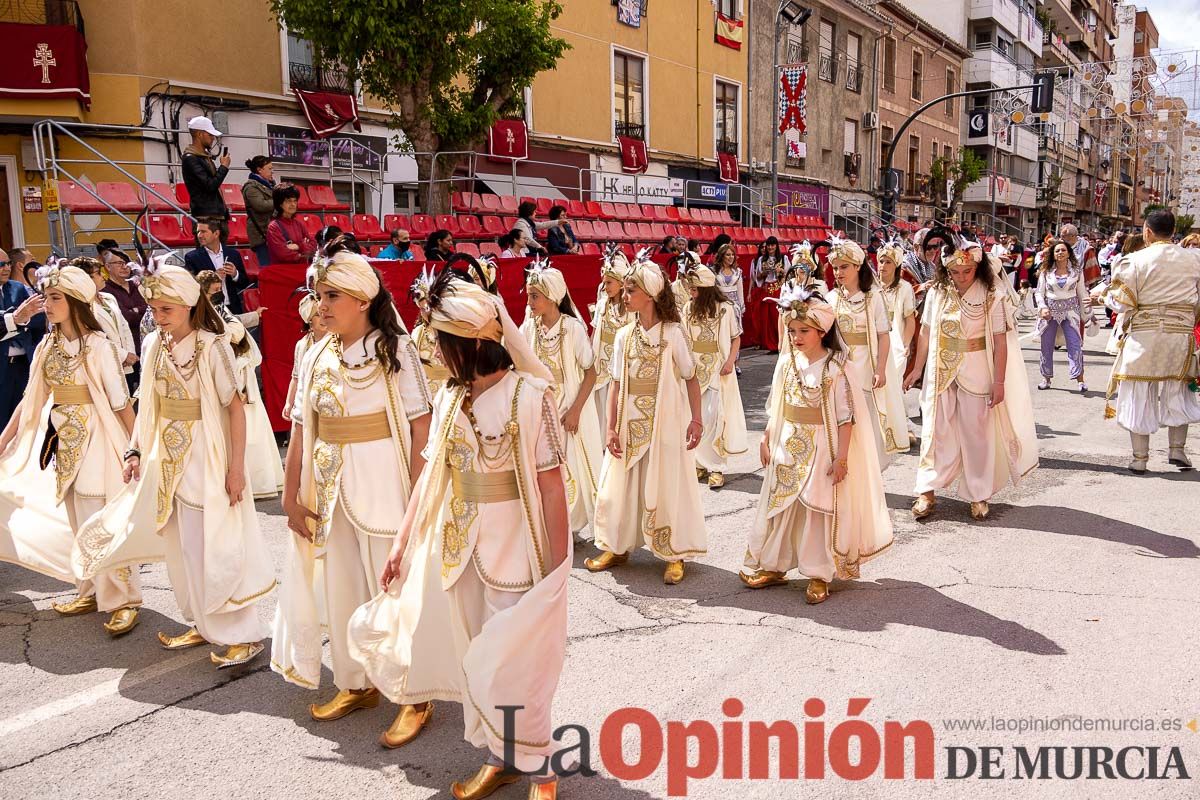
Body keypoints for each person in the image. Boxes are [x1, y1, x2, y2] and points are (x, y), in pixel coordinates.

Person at [349, 273, 571, 800]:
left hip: (518, 554)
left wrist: (557, 570)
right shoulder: (450, 398)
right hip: (457, 552)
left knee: (514, 664)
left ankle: (540, 769)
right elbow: (431, 476)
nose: (434, 353)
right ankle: (503, 758)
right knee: (477, 660)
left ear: (471, 343)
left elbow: (552, 488)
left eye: (442, 344)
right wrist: (402, 545)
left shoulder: (528, 395)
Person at [74, 258, 275, 668]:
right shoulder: (153, 346)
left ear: (187, 305)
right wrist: (134, 449)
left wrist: (236, 469)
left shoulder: (212, 344)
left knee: (214, 546)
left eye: (166, 309)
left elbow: (234, 409)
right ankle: (203, 623)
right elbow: (147, 404)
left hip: (206, 455)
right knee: (182, 548)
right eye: (154, 309)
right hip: (166, 461)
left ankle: (243, 634)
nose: (158, 317)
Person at [272, 246, 434, 744]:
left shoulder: (396, 350)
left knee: (390, 590)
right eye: (319, 295)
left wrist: (416, 499)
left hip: (385, 485)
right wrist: (289, 493)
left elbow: (420, 425)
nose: (320, 305)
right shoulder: (317, 351)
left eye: (331, 295)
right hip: (330, 487)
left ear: (362, 299)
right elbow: (301, 425)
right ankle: (355, 682)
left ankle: (414, 693)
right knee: (341, 587)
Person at [0, 263, 142, 635]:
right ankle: (90, 588)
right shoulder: (47, 345)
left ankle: (123, 599)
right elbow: (31, 398)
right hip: (63, 440)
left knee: (101, 519)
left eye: (55, 298)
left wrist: (135, 448)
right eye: (46, 297)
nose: (46, 304)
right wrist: (4, 439)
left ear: (77, 302)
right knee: (77, 517)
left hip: (98, 439)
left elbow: (121, 403)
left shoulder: (99, 346)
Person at [740, 287, 893, 601]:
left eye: (804, 331)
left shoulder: (836, 368)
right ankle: (774, 565)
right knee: (781, 506)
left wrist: (842, 458)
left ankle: (819, 574)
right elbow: (777, 406)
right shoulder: (787, 363)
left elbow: (846, 418)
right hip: (787, 442)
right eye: (792, 331)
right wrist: (767, 437)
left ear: (822, 332)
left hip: (823, 446)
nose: (796, 337)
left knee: (816, 509)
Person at [587, 255, 706, 585]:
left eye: (630, 291)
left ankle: (674, 552)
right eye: (624, 290)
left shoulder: (673, 333)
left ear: (650, 294)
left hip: (665, 423)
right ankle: (617, 546)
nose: (625, 297)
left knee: (667, 482)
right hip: (629, 422)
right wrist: (611, 426)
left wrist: (696, 421)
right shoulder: (624, 336)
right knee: (620, 485)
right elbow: (615, 384)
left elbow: (691, 377)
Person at [903, 238, 1039, 521]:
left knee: (976, 433)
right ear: (946, 270)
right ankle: (926, 490)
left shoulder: (991, 294)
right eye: (955, 271)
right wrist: (917, 369)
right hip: (941, 371)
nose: (961, 276)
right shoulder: (938, 292)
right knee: (934, 431)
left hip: (977, 371)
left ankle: (978, 493)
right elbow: (926, 332)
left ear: (977, 267)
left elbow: (1000, 342)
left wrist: (999, 382)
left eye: (967, 271)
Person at [1103, 209, 1200, 474]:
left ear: (1146, 231)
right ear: (1173, 231)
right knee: (1179, 388)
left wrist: (1103, 298)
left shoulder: (1133, 260)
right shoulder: (1194, 259)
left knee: (1139, 391)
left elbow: (1122, 301)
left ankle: (1140, 458)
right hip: (1180, 335)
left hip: (1144, 335)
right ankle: (1177, 450)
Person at [520, 262, 603, 534]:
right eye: (529, 295)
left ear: (552, 296)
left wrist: (576, 410)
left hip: (568, 410)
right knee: (542, 468)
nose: (529, 301)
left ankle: (573, 525)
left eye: (535, 296)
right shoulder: (529, 328)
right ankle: (550, 524)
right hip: (541, 411)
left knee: (574, 468)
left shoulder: (572, 328)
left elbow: (591, 372)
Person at [196, 270, 281, 499]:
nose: (218, 295)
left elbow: (234, 327)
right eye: (214, 292)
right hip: (229, 373)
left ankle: (258, 479)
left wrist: (249, 318)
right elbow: (229, 332)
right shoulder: (200, 318)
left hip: (244, 371)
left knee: (254, 427)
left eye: (219, 291)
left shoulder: (222, 311)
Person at [826, 237, 909, 462]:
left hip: (865, 365)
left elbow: (883, 335)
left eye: (844, 267)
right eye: (835, 268)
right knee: (840, 417)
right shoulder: (831, 298)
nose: (838, 272)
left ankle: (866, 467)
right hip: (839, 365)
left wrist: (880, 369)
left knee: (865, 419)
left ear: (857, 267)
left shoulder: (873, 298)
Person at [680, 264, 747, 489]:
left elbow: (736, 337)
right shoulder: (688, 308)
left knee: (713, 418)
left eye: (695, 288)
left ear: (706, 289)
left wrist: (730, 361)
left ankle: (716, 467)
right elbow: (683, 338)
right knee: (694, 417)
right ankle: (699, 462)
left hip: (718, 370)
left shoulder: (725, 309)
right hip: (693, 370)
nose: (691, 292)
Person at [1035, 239, 1094, 393]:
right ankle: (1046, 378)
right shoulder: (1046, 273)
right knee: (1046, 346)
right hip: (1049, 313)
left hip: (1071, 312)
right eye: (1057, 251)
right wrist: (1042, 307)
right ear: (1053, 255)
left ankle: (1080, 380)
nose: (1060, 253)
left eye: (1063, 250)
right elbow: (1039, 293)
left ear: (1069, 253)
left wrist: (1089, 314)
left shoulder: (1076, 272)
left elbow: (1082, 294)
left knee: (1075, 344)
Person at [876, 241, 919, 443]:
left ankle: (902, 427)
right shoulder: (871, 287)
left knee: (892, 385)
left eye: (888, 262)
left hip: (896, 344)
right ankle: (885, 427)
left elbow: (910, 320)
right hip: (875, 344)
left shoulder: (904, 288)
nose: (882, 266)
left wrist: (905, 345)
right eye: (881, 261)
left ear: (897, 265)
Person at [73, 257, 139, 384]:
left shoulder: (109, 297)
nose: (103, 276)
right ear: (86, 279)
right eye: (97, 273)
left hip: (125, 365)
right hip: (103, 365)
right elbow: (94, 337)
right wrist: (122, 355)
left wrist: (129, 353)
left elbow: (124, 326)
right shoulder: (82, 306)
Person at [589, 247, 632, 434]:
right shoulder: (601, 306)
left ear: (621, 283)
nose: (605, 287)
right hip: (602, 362)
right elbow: (595, 333)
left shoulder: (631, 309)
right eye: (603, 283)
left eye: (609, 283)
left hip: (622, 362)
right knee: (601, 401)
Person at [0, 248, 46, 428]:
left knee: (26, 420)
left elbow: (38, 318)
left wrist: (15, 321)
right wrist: (16, 318)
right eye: (1, 265)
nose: (6, 268)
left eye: (8, 264)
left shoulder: (17, 288)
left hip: (23, 364)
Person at [100, 247, 148, 389]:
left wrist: (137, 310)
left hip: (145, 345)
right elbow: (127, 318)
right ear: (108, 267)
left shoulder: (138, 285)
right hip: (126, 352)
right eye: (119, 263)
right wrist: (141, 309)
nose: (125, 266)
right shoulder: (105, 291)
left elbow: (151, 308)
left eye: (126, 262)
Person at [184, 218, 250, 315]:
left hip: (233, 307)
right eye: (198, 232)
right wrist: (212, 278)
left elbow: (244, 283)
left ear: (216, 233)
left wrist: (235, 274)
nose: (199, 235)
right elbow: (191, 286)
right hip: (208, 309)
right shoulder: (192, 257)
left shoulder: (233, 254)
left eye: (203, 232)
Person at [282, 291, 328, 422]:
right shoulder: (302, 345)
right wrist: (289, 403)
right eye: (318, 315)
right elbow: (296, 377)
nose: (323, 317)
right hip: (308, 402)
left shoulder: (338, 339)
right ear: (309, 320)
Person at [408, 267, 450, 398]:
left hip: (454, 393)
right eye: (423, 309)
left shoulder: (454, 331)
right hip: (426, 397)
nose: (427, 311)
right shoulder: (418, 333)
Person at [181, 116, 231, 221]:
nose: (212, 138)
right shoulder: (191, 158)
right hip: (205, 216)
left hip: (213, 213)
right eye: (210, 134)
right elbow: (210, 185)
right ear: (200, 134)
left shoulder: (203, 157)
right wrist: (223, 167)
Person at [266, 185, 317, 265]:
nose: (293, 204)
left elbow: (313, 244)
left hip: (301, 267)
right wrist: (303, 252)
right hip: (283, 270)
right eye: (288, 201)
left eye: (295, 201)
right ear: (280, 204)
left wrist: (298, 246)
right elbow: (283, 254)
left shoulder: (299, 224)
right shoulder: (274, 227)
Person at [751, 238, 787, 353]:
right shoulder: (762, 259)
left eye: (773, 245)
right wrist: (765, 272)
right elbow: (758, 277)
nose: (770, 248)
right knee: (767, 318)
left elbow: (788, 275)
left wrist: (780, 271)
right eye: (769, 246)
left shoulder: (783, 258)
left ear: (776, 246)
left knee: (777, 315)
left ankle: (780, 341)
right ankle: (769, 343)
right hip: (766, 289)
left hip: (778, 288)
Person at [242, 156, 276, 265]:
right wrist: (280, 202)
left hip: (271, 231)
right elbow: (260, 205)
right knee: (266, 266)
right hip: (261, 232)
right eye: (269, 169)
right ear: (259, 170)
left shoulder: (269, 184)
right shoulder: (251, 187)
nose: (272, 171)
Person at [712, 242, 746, 346]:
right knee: (721, 334)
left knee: (734, 335)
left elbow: (740, 291)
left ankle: (734, 360)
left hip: (734, 307)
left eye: (732, 255)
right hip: (719, 306)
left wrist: (741, 307)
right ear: (721, 256)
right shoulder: (713, 271)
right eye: (728, 255)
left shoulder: (738, 272)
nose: (731, 257)